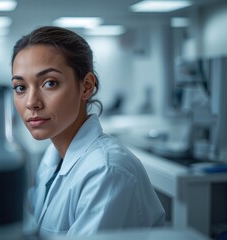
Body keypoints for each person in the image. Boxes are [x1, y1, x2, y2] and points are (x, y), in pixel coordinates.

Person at [11, 26, 165, 236]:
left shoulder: (107, 171)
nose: (31, 103)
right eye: (20, 87)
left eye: (49, 83)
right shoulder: (53, 156)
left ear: (86, 87)